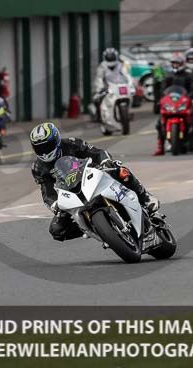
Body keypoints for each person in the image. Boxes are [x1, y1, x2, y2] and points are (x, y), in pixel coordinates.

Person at [30, 122, 158, 241]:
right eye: (40, 148)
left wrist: (105, 161)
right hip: (71, 194)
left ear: (56, 140)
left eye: (47, 146)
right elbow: (47, 192)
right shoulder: (38, 167)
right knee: (57, 230)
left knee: (120, 170)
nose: (45, 151)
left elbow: (97, 152)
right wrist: (54, 205)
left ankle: (146, 197)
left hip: (92, 175)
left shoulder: (72, 143)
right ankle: (95, 228)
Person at [92, 47, 133, 121]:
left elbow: (127, 74)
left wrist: (130, 84)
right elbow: (99, 78)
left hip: (119, 86)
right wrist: (100, 88)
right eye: (109, 57)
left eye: (112, 57)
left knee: (129, 96)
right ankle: (98, 115)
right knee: (97, 99)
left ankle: (127, 113)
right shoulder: (102, 66)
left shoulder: (121, 65)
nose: (110, 59)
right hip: (107, 87)